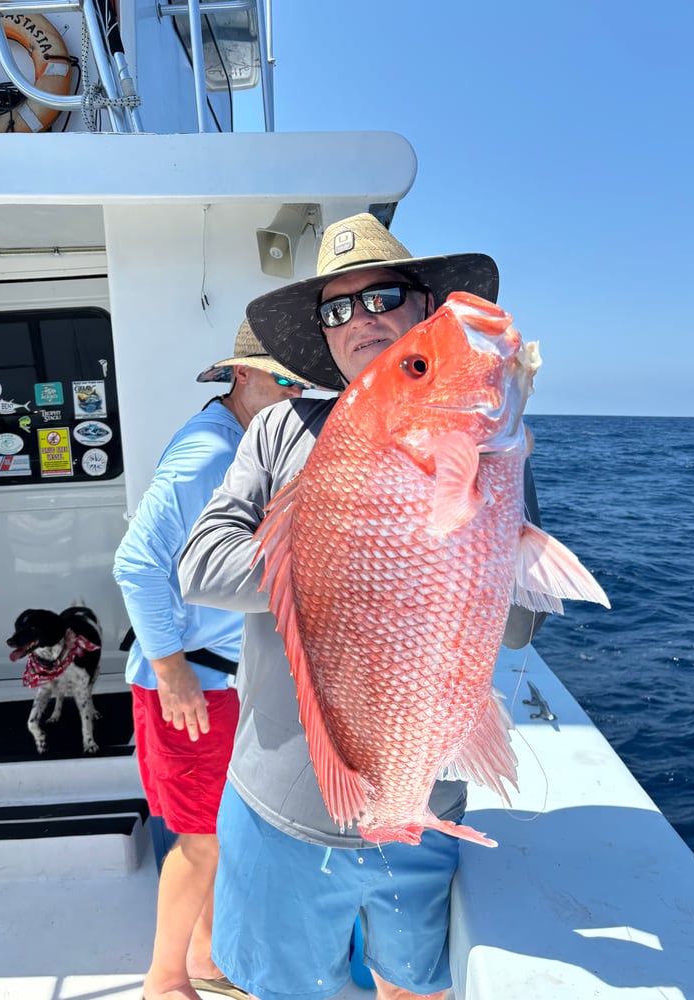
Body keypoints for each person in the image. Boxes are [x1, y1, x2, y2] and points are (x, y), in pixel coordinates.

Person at [177, 214, 546, 1000]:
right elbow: (199, 566)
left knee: (413, 987)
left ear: (424, 307)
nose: (361, 319)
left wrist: (495, 491)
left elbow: (516, 628)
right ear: (323, 334)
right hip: (278, 807)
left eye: (382, 295)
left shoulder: (488, 442)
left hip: (421, 805)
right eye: (337, 309)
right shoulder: (277, 429)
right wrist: (338, 556)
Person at [113, 318, 311, 1000]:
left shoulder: (242, 443)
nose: (297, 396)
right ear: (246, 375)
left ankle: (204, 956)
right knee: (201, 839)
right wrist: (171, 673)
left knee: (218, 832)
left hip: (220, 683)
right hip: (188, 684)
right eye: (288, 381)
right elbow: (135, 563)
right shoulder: (209, 452)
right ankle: (164, 982)